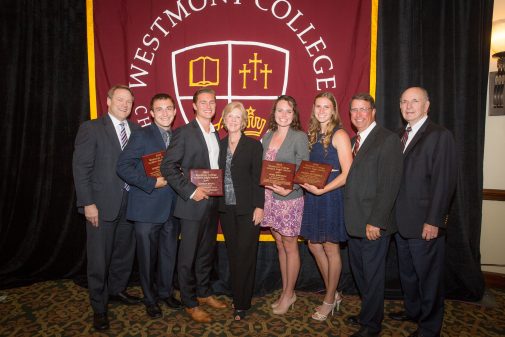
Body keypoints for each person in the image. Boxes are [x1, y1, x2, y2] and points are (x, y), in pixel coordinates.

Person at [389, 87, 457, 337]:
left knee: (429, 278)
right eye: (404, 101)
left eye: (414, 101)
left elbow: (444, 182)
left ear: (427, 106)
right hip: (400, 222)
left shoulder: (440, 136)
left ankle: (429, 328)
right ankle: (414, 310)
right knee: (407, 273)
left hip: (425, 224)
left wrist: (434, 221)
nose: (408, 106)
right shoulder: (397, 136)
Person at [72, 85, 141, 331]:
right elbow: (81, 170)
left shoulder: (136, 130)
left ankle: (117, 290)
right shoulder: (91, 128)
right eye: (120, 100)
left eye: (129, 102)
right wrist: (87, 203)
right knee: (99, 259)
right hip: (101, 206)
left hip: (130, 204)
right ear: (108, 100)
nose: (125, 105)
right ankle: (99, 307)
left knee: (124, 253)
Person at [160, 87, 226, 323]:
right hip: (191, 205)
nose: (209, 106)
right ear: (195, 106)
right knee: (187, 256)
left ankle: (204, 292)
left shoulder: (215, 133)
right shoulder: (184, 133)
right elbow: (168, 166)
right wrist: (190, 190)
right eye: (204, 102)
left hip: (212, 203)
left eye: (212, 102)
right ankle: (189, 302)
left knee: (206, 252)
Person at [116, 93, 182, 319]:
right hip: (146, 208)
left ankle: (165, 292)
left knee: (168, 254)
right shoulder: (141, 135)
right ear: (151, 113)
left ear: (175, 111)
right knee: (146, 258)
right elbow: (123, 167)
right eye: (159, 109)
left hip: (173, 208)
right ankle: (150, 299)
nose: (165, 113)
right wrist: (151, 182)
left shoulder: (179, 137)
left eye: (169, 108)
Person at [344, 93, 403, 337]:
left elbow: (389, 185)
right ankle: (368, 314)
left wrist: (376, 221)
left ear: (373, 111)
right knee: (360, 274)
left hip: (372, 224)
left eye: (363, 109)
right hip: (353, 222)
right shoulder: (351, 141)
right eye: (354, 110)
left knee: (373, 276)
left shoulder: (387, 140)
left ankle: (371, 326)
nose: (358, 114)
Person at [300, 92, 352, 321]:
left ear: (333, 110)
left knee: (331, 248)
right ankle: (335, 292)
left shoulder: (339, 134)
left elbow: (348, 174)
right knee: (313, 244)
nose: (322, 110)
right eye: (318, 106)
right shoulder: (312, 134)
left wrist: (324, 190)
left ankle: (329, 299)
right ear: (313, 109)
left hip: (330, 196)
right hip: (313, 195)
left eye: (326, 106)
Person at [261, 95, 309, 315]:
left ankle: (290, 294)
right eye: (280, 110)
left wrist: (292, 188)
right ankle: (285, 291)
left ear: (294, 114)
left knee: (290, 245)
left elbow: (304, 169)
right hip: (269, 198)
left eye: (288, 111)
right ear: (274, 113)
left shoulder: (299, 137)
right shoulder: (267, 136)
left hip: (289, 200)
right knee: (279, 244)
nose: (283, 115)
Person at [217, 102, 264, 320]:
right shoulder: (219, 144)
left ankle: (242, 304)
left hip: (248, 210)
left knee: (246, 255)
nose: (234, 120)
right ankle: (237, 297)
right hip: (226, 209)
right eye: (230, 116)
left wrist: (259, 206)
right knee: (234, 255)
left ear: (243, 121)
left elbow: (258, 180)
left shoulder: (254, 146)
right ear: (224, 120)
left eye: (238, 117)